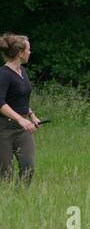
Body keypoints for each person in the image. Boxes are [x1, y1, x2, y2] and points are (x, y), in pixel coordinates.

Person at [0, 33, 41, 187]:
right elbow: (0, 102)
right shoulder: (3, 75)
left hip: (23, 129)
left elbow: (20, 99)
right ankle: (6, 202)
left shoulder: (22, 72)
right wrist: (20, 119)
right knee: (5, 174)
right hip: (4, 129)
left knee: (28, 167)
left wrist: (31, 115)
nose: (30, 52)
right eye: (28, 49)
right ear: (20, 53)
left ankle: (20, 198)